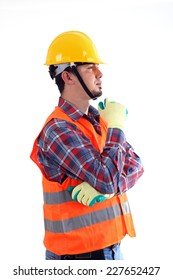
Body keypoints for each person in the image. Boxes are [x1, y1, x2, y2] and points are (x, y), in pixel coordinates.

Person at [30, 30, 144, 260]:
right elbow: (107, 178)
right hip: (77, 258)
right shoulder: (59, 130)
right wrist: (117, 127)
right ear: (68, 76)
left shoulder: (99, 120)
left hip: (112, 250)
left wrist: (108, 191)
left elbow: (137, 165)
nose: (100, 73)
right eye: (90, 67)